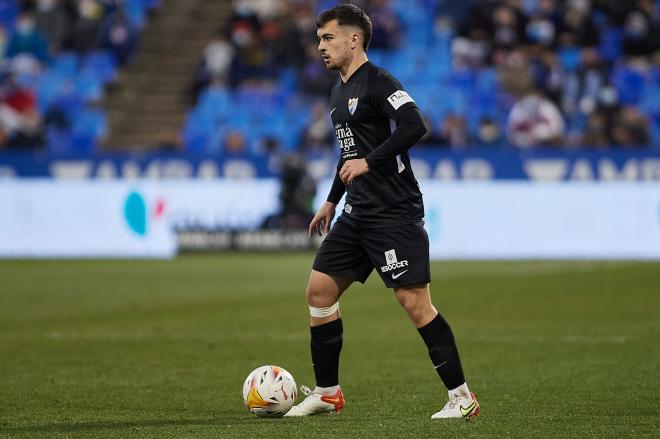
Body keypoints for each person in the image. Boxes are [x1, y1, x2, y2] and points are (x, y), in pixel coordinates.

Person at [285, 4, 480, 420]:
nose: (320, 46)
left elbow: (414, 124)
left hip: (394, 213)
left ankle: (462, 398)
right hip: (357, 213)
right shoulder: (338, 92)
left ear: (354, 39)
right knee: (319, 291)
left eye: (329, 38)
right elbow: (349, 154)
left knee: (415, 304)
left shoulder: (379, 81)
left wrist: (370, 163)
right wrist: (332, 200)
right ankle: (328, 392)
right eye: (319, 39)